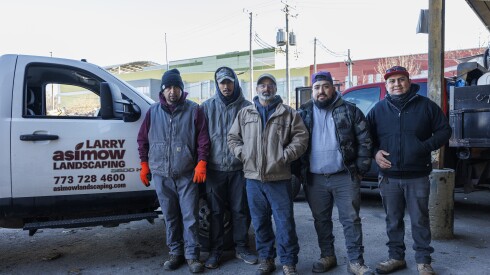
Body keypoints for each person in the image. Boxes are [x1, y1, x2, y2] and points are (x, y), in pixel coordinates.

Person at [366, 66, 452, 275]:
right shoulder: (378, 110)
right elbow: (366, 139)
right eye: (392, 81)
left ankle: (423, 261)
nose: (397, 84)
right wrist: (375, 154)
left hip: (418, 175)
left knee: (420, 220)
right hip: (389, 177)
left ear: (409, 81)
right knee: (393, 220)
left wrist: (423, 147)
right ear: (387, 85)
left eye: (401, 80)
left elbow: (444, 131)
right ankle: (396, 258)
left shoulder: (426, 106)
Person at [227, 73, 308, 275]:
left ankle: (289, 262)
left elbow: (301, 138)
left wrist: (285, 155)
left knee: (284, 223)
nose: (266, 89)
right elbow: (232, 138)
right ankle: (267, 260)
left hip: (279, 178)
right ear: (256, 90)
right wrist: (242, 153)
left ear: (275, 88)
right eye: (262, 85)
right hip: (253, 180)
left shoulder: (288, 113)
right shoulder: (245, 113)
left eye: (270, 85)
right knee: (260, 222)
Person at [295, 71, 374, 275]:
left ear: (333, 88)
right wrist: (299, 173)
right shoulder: (302, 113)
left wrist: (360, 170)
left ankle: (356, 261)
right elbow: (293, 143)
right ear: (312, 90)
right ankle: (327, 255)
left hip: (344, 176)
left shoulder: (350, 110)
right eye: (317, 87)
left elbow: (365, 140)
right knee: (321, 220)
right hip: (314, 178)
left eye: (325, 86)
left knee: (351, 220)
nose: (321, 91)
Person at [137, 68, 210, 274]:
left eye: (176, 87)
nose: (172, 91)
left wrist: (201, 162)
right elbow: (142, 140)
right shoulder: (153, 112)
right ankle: (175, 253)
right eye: (168, 87)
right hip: (161, 174)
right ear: (162, 89)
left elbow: (203, 140)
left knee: (190, 217)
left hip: (187, 173)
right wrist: (144, 165)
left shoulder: (194, 110)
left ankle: (192, 257)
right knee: (170, 216)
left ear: (181, 89)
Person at [200, 67, 257, 269]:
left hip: (239, 169)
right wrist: (201, 163)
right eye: (222, 83)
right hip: (214, 170)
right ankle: (216, 251)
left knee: (240, 210)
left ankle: (241, 247)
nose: (226, 86)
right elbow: (201, 139)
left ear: (235, 82)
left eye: (229, 82)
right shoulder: (206, 107)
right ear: (217, 84)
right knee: (215, 212)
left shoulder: (248, 107)